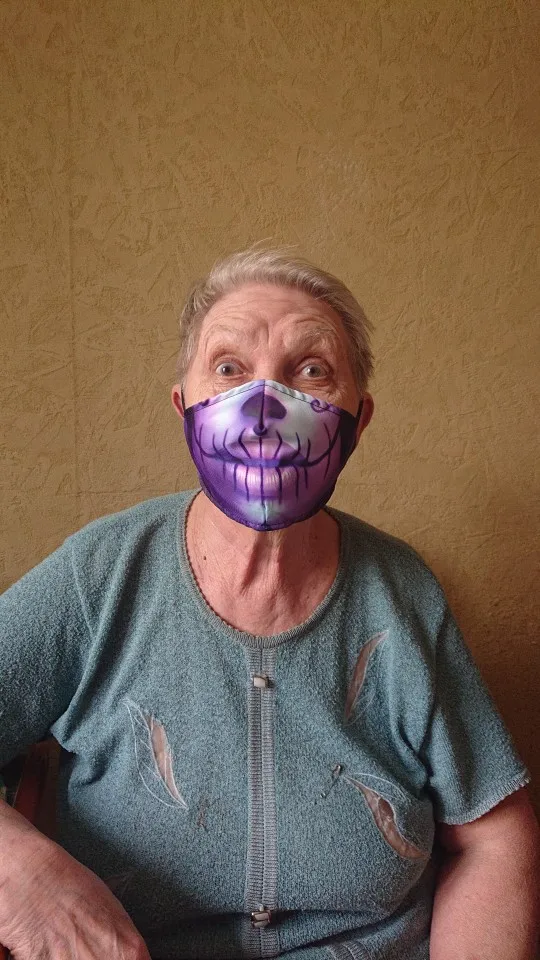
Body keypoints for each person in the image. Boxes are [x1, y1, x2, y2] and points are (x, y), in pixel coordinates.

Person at [0, 247, 538, 960]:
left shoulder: (401, 592)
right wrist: (21, 875)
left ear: (357, 421)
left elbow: (493, 833)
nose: (264, 407)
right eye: (228, 368)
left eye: (311, 370)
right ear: (183, 408)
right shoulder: (99, 576)